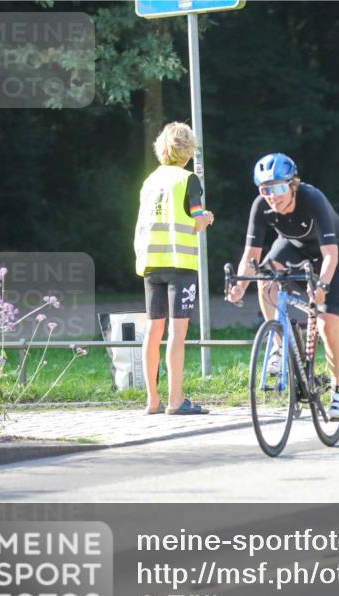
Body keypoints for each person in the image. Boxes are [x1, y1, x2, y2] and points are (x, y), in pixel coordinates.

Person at [225, 153, 339, 419]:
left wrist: (321, 286)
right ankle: (279, 343)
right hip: (294, 247)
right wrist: (240, 286)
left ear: (293, 184)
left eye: (279, 188)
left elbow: (330, 255)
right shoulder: (261, 206)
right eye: (266, 190)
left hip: (333, 252)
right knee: (265, 277)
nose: (273, 197)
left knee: (326, 323)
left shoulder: (312, 199)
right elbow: (251, 256)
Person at [134, 122, 214, 415]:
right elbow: (196, 219)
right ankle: (175, 400)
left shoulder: (150, 181)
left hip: (151, 262)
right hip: (180, 263)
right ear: (188, 150)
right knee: (177, 333)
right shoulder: (188, 180)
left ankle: (152, 401)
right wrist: (207, 219)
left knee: (153, 330)